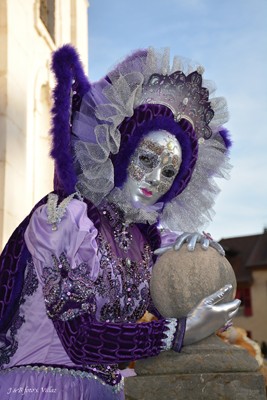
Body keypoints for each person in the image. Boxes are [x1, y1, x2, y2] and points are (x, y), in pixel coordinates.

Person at [0, 45, 240, 399]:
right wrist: (178, 332)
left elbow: (193, 306)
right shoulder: (65, 221)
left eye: (170, 171)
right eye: (147, 158)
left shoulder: (147, 242)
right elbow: (82, 341)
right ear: (122, 150)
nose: (156, 178)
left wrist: (201, 267)